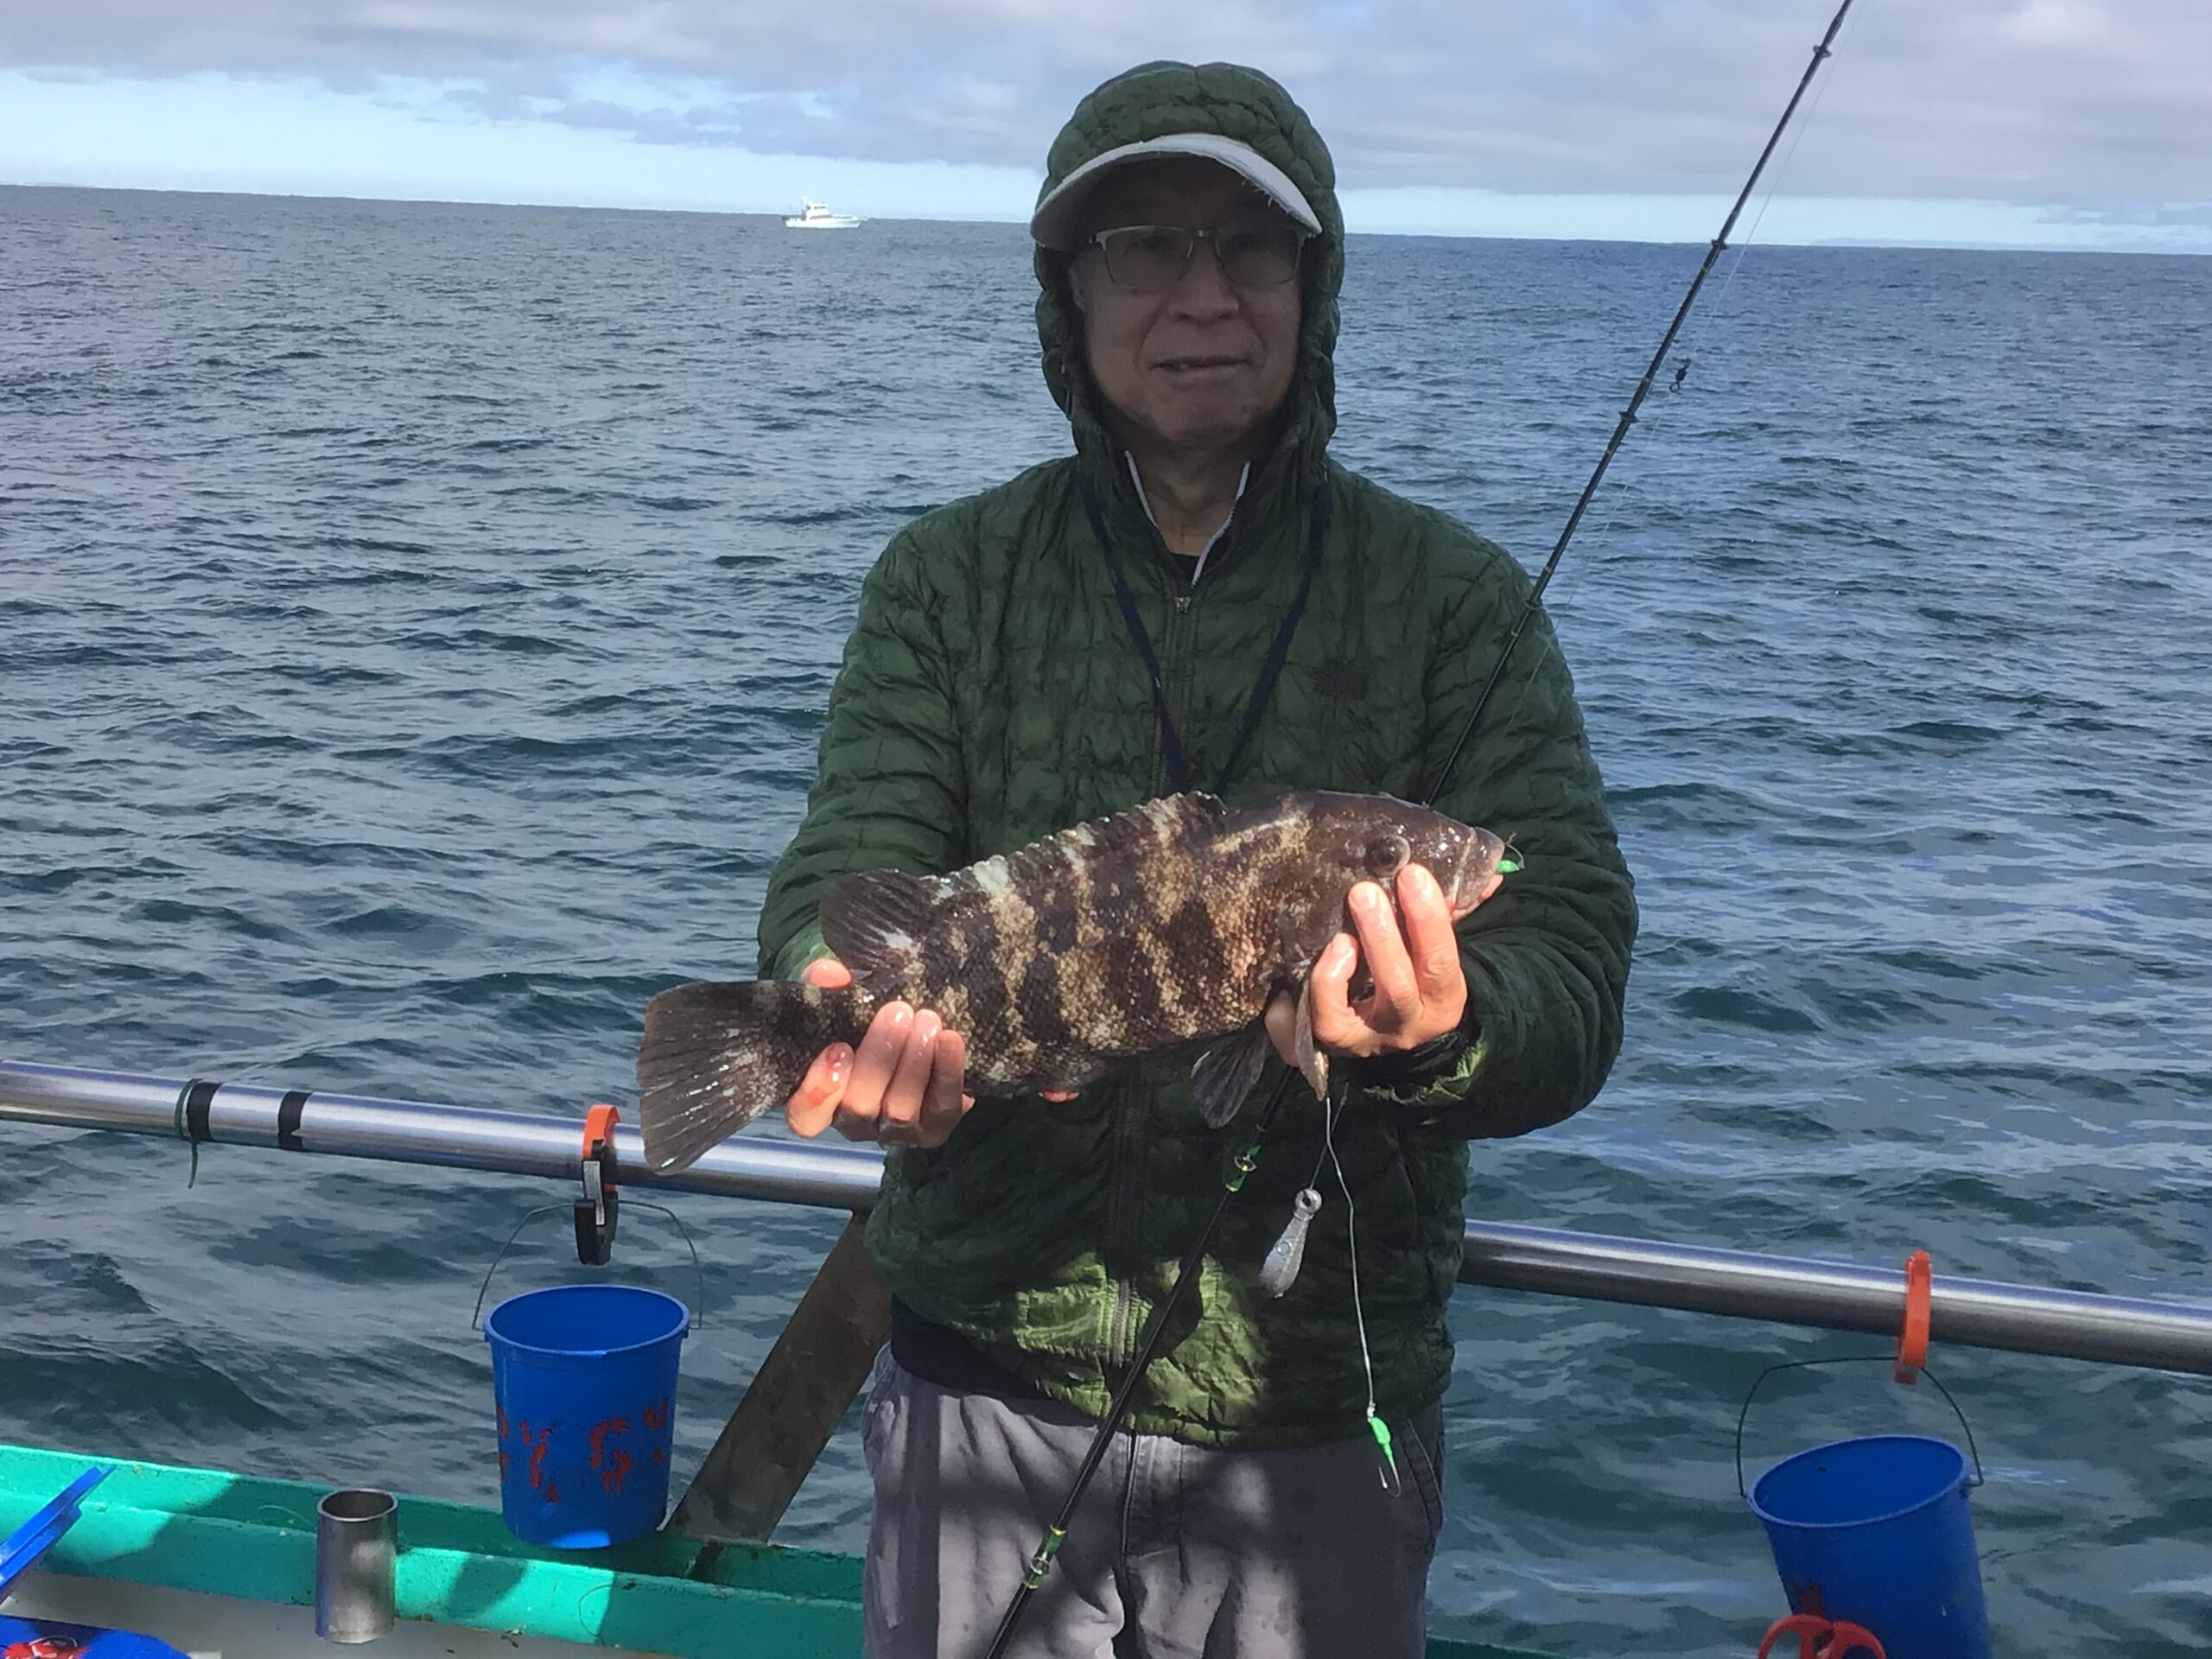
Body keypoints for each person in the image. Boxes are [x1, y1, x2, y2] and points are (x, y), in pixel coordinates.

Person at [753, 59, 1637, 1659]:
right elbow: (856, 855)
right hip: (982, 1375)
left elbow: (1569, 963)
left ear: (1315, 283)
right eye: (1146, 244)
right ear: (1070, 293)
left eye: (1253, 246)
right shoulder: (947, 579)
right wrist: (825, 1001)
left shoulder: (1458, 601)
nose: (1205, 294)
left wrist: (1445, 1032)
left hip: (1316, 1408)